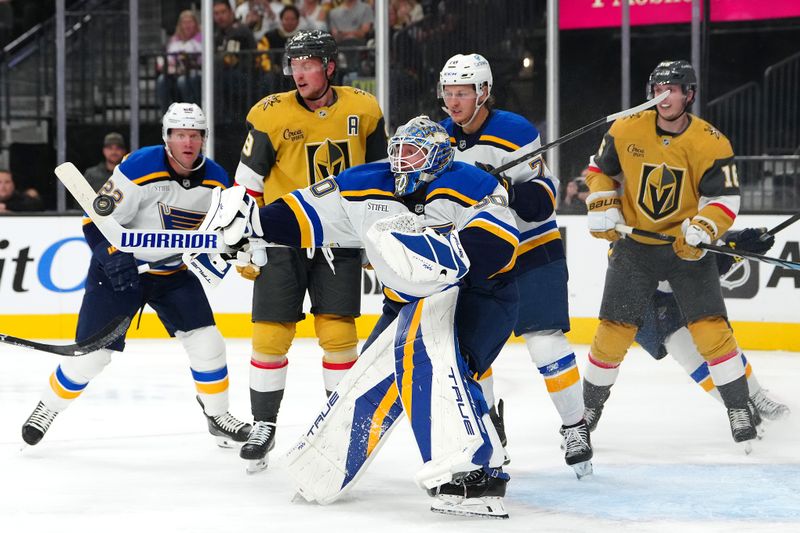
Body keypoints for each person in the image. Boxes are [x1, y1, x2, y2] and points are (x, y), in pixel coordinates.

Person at [208, 115, 518, 517]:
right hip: (406, 304)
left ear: (439, 155)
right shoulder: (364, 181)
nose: (402, 161)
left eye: (414, 152)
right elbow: (305, 212)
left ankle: (480, 474)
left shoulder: (475, 184)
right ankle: (326, 466)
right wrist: (252, 227)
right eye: (398, 151)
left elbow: (499, 246)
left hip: (479, 296)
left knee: (444, 367)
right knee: (366, 382)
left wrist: (435, 253)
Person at [21, 103, 252, 450]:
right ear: (166, 137)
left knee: (208, 343)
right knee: (92, 357)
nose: (187, 142)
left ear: (203, 138)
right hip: (118, 273)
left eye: (194, 134)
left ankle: (217, 416)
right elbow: (93, 221)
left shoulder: (218, 179)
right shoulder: (138, 167)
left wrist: (232, 245)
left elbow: (221, 232)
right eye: (179, 134)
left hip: (172, 274)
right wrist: (112, 256)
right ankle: (46, 409)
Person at [581, 59, 759, 447]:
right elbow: (598, 170)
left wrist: (704, 227)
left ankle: (739, 406)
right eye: (659, 87)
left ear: (688, 95)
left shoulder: (711, 141)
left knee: (712, 329)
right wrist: (603, 204)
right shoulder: (626, 127)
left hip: (687, 251)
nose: (664, 95)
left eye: (673, 88)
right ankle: (588, 409)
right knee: (611, 333)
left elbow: (724, 197)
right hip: (634, 251)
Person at [232, 29, 387, 473]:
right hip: (282, 235)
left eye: (308, 64)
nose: (298, 72)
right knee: (270, 334)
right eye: (293, 65)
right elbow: (247, 184)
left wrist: (380, 234)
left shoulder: (364, 107)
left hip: (341, 236)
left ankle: (338, 427)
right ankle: (264, 425)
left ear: (329, 67)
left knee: (338, 336)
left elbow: (382, 179)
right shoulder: (268, 114)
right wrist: (247, 238)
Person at [438, 53, 593, 477]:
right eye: (449, 93)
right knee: (471, 356)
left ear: (483, 92)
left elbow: (544, 202)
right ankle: (488, 430)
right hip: (480, 257)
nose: (454, 102)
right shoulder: (440, 140)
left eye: (463, 93)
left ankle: (575, 426)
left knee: (545, 343)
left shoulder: (515, 132)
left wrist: (503, 186)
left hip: (531, 249)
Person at [634, 227, 790, 422]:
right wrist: (733, 254)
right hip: (650, 300)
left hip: (685, 284)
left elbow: (703, 228)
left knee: (718, 339)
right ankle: (740, 407)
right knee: (682, 347)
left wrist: (737, 242)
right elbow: (684, 268)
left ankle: (757, 396)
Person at [156, 9, 203, 114]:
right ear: (180, 25)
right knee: (162, 80)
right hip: (176, 73)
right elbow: (169, 60)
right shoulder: (174, 40)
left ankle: (191, 114)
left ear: (195, 24)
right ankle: (166, 115)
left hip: (196, 74)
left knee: (183, 81)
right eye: (184, 22)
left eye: (190, 22)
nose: (187, 25)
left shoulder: (202, 38)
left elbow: (202, 60)